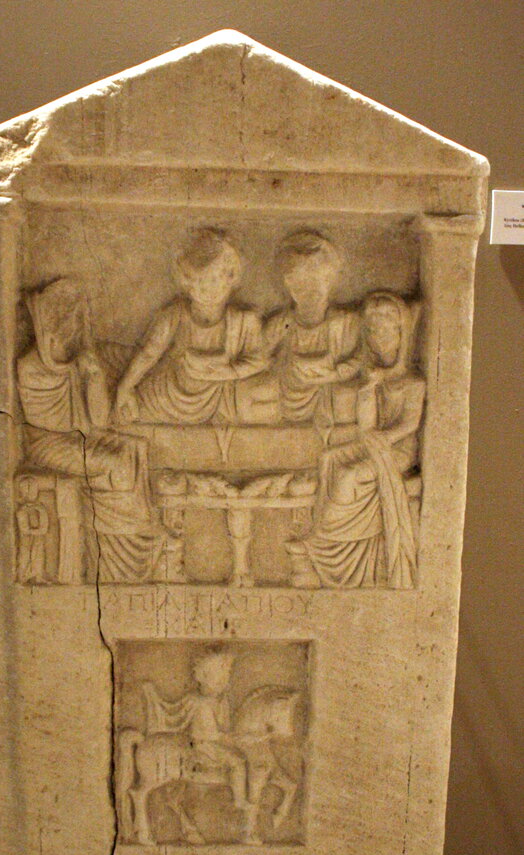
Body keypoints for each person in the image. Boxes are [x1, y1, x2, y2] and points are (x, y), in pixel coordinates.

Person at [17, 278, 163, 582]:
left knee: (134, 448)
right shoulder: (30, 367)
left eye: (73, 321)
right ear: (44, 325)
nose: (67, 330)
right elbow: (54, 423)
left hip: (79, 439)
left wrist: (94, 377)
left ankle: (139, 537)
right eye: (60, 322)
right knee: (116, 463)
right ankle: (115, 559)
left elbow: (98, 420)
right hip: (48, 444)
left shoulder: (84, 360)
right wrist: (78, 374)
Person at [291, 291, 424, 588]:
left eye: (386, 332)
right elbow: (366, 427)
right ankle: (324, 531)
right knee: (328, 458)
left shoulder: (413, 382)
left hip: (398, 451)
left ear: (401, 334)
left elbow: (410, 424)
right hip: (372, 443)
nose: (379, 339)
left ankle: (324, 540)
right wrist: (368, 389)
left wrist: (384, 439)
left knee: (349, 476)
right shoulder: (372, 378)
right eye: (373, 332)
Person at [115, 229, 266, 427]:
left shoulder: (245, 320)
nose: (208, 289)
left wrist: (228, 372)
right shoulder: (174, 315)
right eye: (200, 281)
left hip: (221, 396)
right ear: (187, 283)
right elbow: (149, 353)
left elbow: (259, 361)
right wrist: (125, 387)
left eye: (215, 279)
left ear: (230, 278)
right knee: (127, 413)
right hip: (168, 396)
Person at [237, 230, 360, 425]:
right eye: (299, 283)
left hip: (327, 389)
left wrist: (334, 375)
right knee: (247, 395)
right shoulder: (281, 323)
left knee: (348, 398)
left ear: (330, 279)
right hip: (285, 390)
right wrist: (269, 346)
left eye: (315, 280)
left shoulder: (345, 322)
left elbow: (360, 360)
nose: (308, 289)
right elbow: (258, 360)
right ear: (287, 285)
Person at [143, 648, 248, 810]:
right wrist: (232, 738)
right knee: (238, 761)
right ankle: (239, 800)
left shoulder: (220, 700)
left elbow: (224, 726)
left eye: (226, 676)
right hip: (204, 745)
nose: (225, 680)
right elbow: (211, 734)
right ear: (204, 677)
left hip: (214, 742)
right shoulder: (202, 702)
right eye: (220, 676)